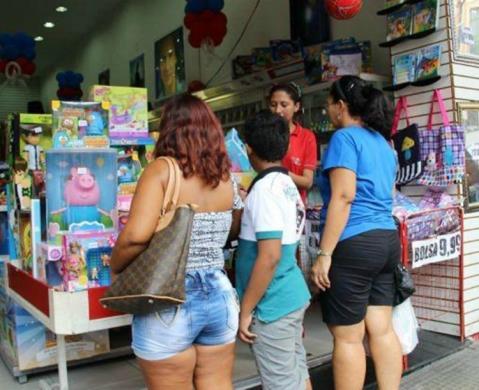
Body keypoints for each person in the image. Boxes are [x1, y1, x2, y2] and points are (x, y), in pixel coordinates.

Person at [110, 94, 242, 390]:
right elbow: (233, 229)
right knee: (218, 383)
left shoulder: (162, 170)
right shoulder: (225, 178)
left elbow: (135, 237)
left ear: (170, 129)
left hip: (169, 298)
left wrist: (115, 265)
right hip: (220, 294)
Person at [311, 75, 402, 390]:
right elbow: (389, 192)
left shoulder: (344, 139)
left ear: (340, 106)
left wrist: (324, 254)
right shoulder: (383, 143)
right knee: (381, 328)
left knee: (348, 338)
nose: (328, 110)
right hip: (387, 240)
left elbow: (343, 196)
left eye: (328, 104)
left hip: (354, 243)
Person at [236, 110, 312, 390]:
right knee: (297, 373)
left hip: (272, 305)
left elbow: (269, 257)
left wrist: (246, 311)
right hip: (290, 294)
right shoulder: (285, 183)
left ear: (248, 149)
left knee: (281, 383)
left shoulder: (264, 190)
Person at [268, 82, 317, 206]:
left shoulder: (307, 137)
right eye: (273, 105)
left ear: (296, 106)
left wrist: (277, 172)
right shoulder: (265, 133)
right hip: (268, 203)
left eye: (284, 105)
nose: (278, 110)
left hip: (295, 207)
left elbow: (307, 182)